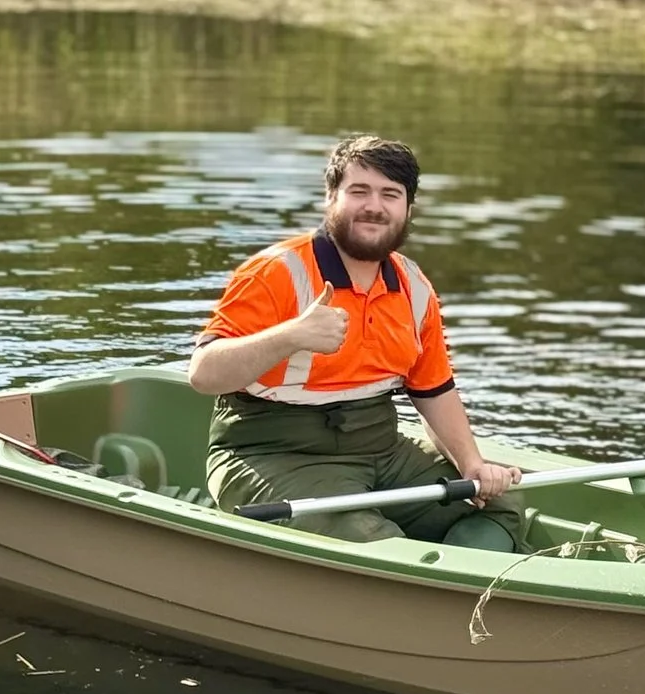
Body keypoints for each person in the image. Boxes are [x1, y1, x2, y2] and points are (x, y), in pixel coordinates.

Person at [188, 135, 526, 550]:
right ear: (332, 197)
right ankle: (405, 587)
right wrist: (292, 335)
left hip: (378, 445)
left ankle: (469, 596)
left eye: (390, 194)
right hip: (272, 451)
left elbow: (433, 389)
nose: (374, 206)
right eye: (359, 191)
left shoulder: (413, 286)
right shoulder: (275, 272)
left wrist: (470, 465)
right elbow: (204, 375)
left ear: (407, 208)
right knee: (367, 541)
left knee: (500, 503)